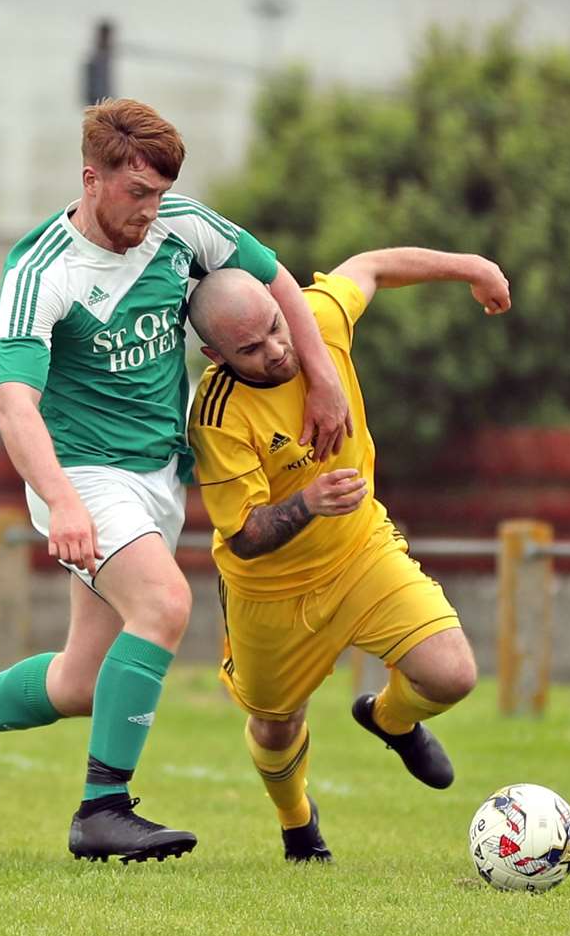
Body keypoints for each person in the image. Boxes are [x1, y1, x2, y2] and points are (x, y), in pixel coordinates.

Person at [0, 99, 351, 864]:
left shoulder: (182, 226)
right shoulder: (42, 270)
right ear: (92, 179)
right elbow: (14, 406)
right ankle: (102, 811)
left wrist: (326, 379)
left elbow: (278, 286)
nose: (151, 211)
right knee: (165, 601)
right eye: (137, 194)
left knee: (82, 682)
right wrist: (64, 502)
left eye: (161, 194)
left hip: (156, 479)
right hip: (79, 475)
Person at [186, 247, 511, 861]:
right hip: (270, 592)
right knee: (275, 725)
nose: (276, 351)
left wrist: (472, 266)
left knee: (452, 675)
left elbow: (373, 265)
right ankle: (297, 823)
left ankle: (391, 719)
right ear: (216, 356)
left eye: (275, 329)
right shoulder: (216, 416)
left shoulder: (317, 326)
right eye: (249, 350)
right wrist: (308, 502)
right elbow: (246, 538)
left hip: (360, 551)